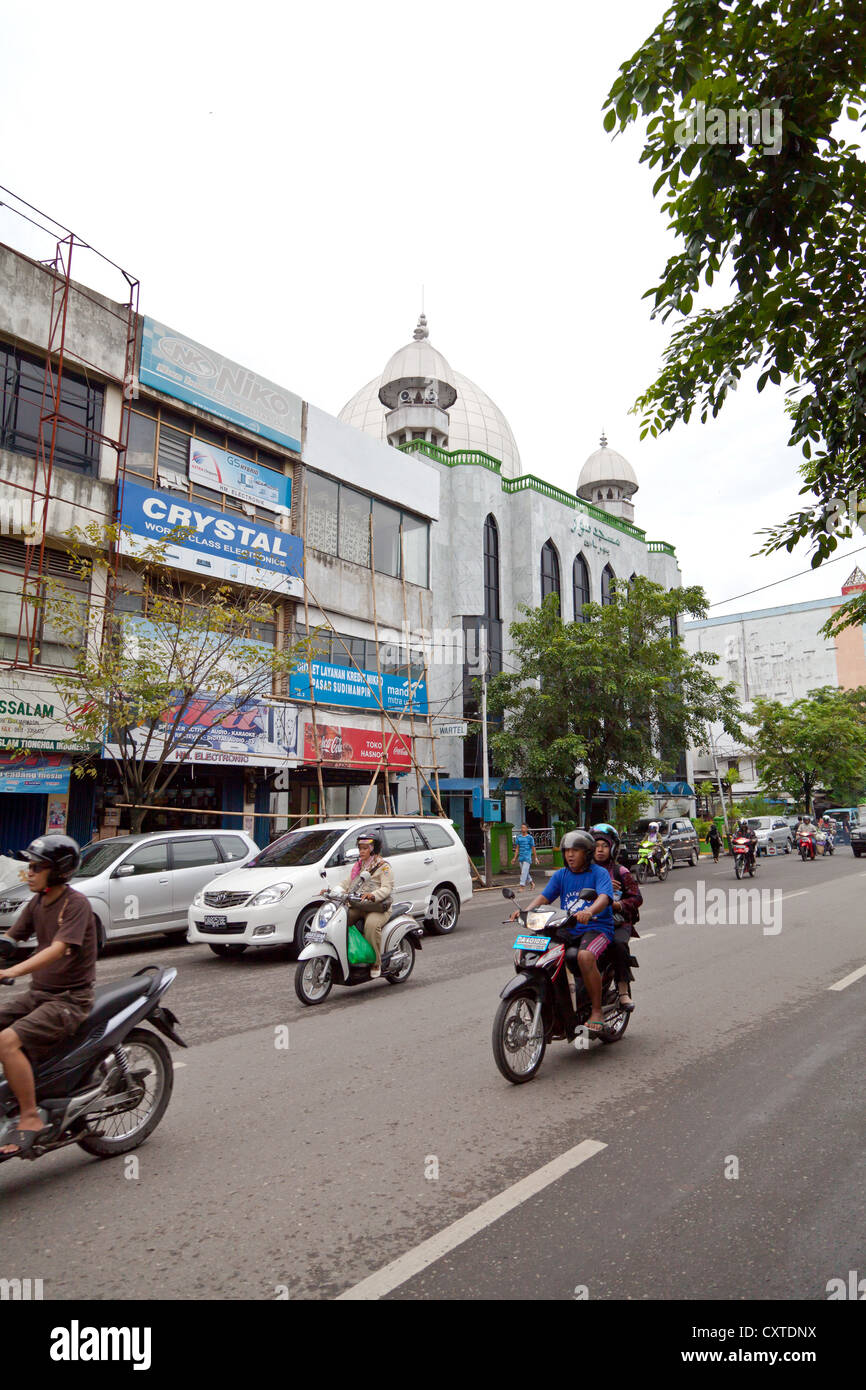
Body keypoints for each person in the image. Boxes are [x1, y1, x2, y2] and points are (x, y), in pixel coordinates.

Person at [0, 835, 96, 1156]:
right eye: (29, 866)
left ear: (58, 871)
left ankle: (29, 1116)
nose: (29, 873)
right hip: (39, 994)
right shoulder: (38, 901)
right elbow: (10, 940)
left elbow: (59, 948)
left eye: (37, 867)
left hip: (69, 1001)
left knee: (7, 1041)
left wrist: (13, 972)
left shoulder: (75, 904)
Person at [511, 829, 614, 1035]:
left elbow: (603, 898)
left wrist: (589, 911)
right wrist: (525, 912)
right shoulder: (562, 874)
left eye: (576, 850)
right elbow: (544, 897)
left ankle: (596, 1012)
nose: (570, 855)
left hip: (597, 927)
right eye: (567, 850)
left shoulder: (599, 873)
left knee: (584, 956)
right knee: (537, 951)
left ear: (587, 853)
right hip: (569, 928)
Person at [591, 824, 642, 1012]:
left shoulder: (621, 872)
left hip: (618, 921)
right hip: (591, 921)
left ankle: (622, 991)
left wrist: (617, 904)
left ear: (612, 848)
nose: (600, 850)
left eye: (604, 845)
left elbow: (637, 898)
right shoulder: (584, 871)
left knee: (618, 945)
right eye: (596, 846)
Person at [338, 833, 394, 979]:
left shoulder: (383, 866)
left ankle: (376, 962)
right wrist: (333, 891)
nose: (361, 851)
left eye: (364, 848)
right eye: (360, 848)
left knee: (371, 925)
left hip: (377, 907)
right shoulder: (358, 866)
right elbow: (347, 883)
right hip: (359, 905)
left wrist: (373, 895)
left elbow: (387, 888)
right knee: (339, 920)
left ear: (373, 849)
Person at [511, 822, 539, 888]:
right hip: (521, 858)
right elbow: (517, 849)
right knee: (525, 872)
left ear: (527, 829)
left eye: (524, 827)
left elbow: (533, 848)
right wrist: (514, 858)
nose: (522, 829)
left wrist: (536, 858)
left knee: (523, 872)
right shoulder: (518, 837)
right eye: (521, 827)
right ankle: (532, 883)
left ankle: (522, 886)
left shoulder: (530, 838)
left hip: (527, 858)